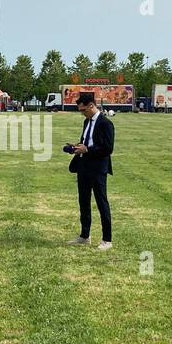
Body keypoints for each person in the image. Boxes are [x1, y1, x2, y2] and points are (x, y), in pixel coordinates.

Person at [67, 90, 114, 251]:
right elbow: (86, 142)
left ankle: (107, 240)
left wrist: (88, 150)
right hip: (84, 166)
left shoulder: (105, 123)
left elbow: (108, 148)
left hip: (98, 168)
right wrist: (76, 148)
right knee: (83, 202)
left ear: (92, 106)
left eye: (83, 109)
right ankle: (85, 236)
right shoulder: (86, 122)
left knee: (102, 203)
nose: (82, 113)